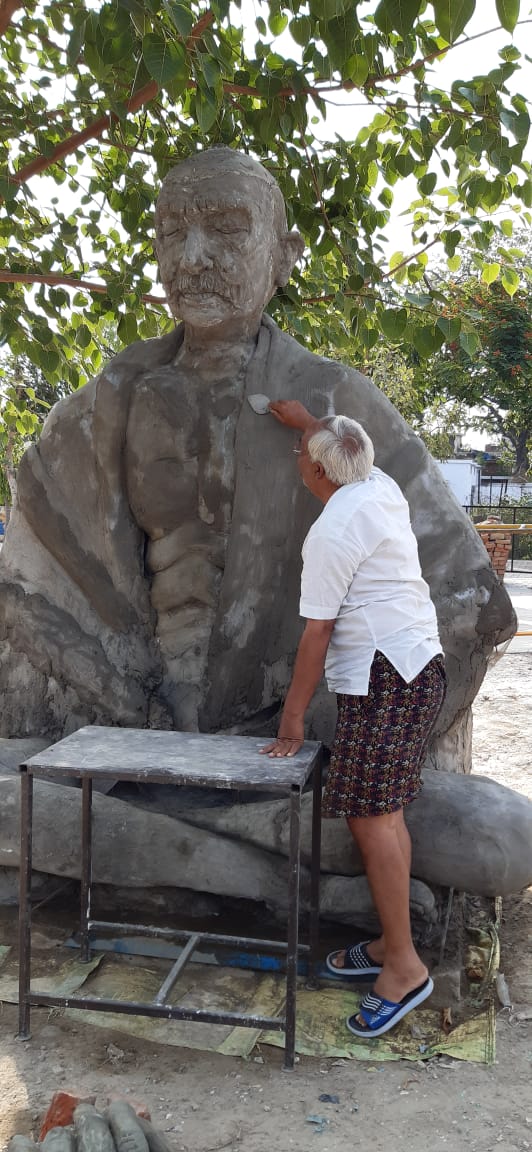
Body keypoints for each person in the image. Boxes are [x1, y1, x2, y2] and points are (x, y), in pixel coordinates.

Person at [0, 147, 512, 751]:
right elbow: (23, 596)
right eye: (173, 233)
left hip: (303, 726)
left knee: (492, 838)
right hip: (127, 718)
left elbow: (469, 600)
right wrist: (116, 692)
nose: (192, 259)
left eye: (225, 229)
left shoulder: (340, 400)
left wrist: (327, 718)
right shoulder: (103, 407)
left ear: (284, 256)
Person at [262, 400, 446, 1037]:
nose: (298, 461)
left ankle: (403, 967)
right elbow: (331, 445)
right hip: (416, 665)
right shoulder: (376, 482)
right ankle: (390, 941)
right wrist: (306, 420)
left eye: (302, 457)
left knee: (373, 818)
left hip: (383, 678)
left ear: (319, 475)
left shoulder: (333, 530)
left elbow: (318, 633)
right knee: (384, 813)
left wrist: (292, 720)